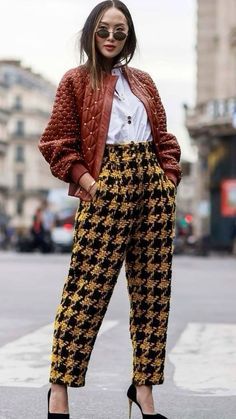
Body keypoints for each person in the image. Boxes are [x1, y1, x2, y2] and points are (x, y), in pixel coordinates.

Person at [38, 1, 182, 418]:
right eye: (104, 29)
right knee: (86, 292)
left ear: (129, 37)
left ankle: (144, 392)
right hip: (106, 184)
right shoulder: (76, 81)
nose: (112, 38)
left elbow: (165, 139)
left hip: (151, 186)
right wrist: (89, 183)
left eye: (120, 31)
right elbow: (55, 143)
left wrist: (166, 180)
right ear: (91, 32)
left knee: (154, 294)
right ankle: (59, 390)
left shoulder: (145, 82)